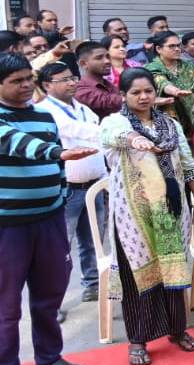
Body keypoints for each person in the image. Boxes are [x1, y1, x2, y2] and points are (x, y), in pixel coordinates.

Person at [0, 53, 96, 365]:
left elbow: (54, 169)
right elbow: (16, 144)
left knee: (49, 295)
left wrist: (58, 193)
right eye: (16, 80)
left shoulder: (43, 116)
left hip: (49, 218)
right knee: (6, 303)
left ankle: (49, 358)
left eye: (28, 78)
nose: (26, 85)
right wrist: (57, 153)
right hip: (8, 224)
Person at [100, 67, 194, 365]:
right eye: (136, 92)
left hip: (172, 212)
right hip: (134, 217)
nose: (144, 96)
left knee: (173, 271)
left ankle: (177, 329)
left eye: (148, 91)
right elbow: (115, 136)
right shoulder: (115, 122)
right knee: (139, 275)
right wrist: (137, 139)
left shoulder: (169, 125)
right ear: (123, 95)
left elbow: (187, 165)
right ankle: (138, 340)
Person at [37, 61, 107, 305]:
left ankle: (93, 285)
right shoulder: (44, 110)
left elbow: (93, 136)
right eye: (63, 79)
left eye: (72, 77)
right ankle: (50, 300)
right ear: (47, 85)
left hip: (95, 184)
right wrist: (104, 131)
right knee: (59, 247)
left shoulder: (82, 107)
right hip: (68, 189)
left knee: (93, 241)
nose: (71, 82)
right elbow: (71, 129)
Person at [145, 31, 194, 138]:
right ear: (159, 49)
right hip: (164, 124)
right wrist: (175, 91)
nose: (177, 49)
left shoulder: (189, 67)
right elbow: (160, 81)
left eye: (178, 45)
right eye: (171, 46)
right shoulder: (150, 68)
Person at [77, 40, 129, 120]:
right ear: (83, 64)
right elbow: (105, 101)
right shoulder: (79, 88)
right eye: (99, 58)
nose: (107, 61)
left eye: (108, 57)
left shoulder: (110, 86)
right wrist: (135, 99)